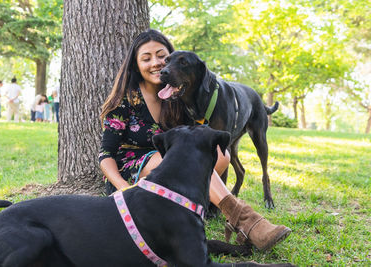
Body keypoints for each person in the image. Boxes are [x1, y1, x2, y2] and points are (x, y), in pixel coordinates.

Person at [99, 29, 291, 251]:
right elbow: (106, 154)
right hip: (132, 171)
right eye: (146, 58)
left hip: (170, 168)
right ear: (135, 64)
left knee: (221, 155)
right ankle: (247, 221)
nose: (156, 63)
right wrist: (123, 187)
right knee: (178, 159)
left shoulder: (179, 95)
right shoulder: (125, 99)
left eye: (162, 56)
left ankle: (192, 210)